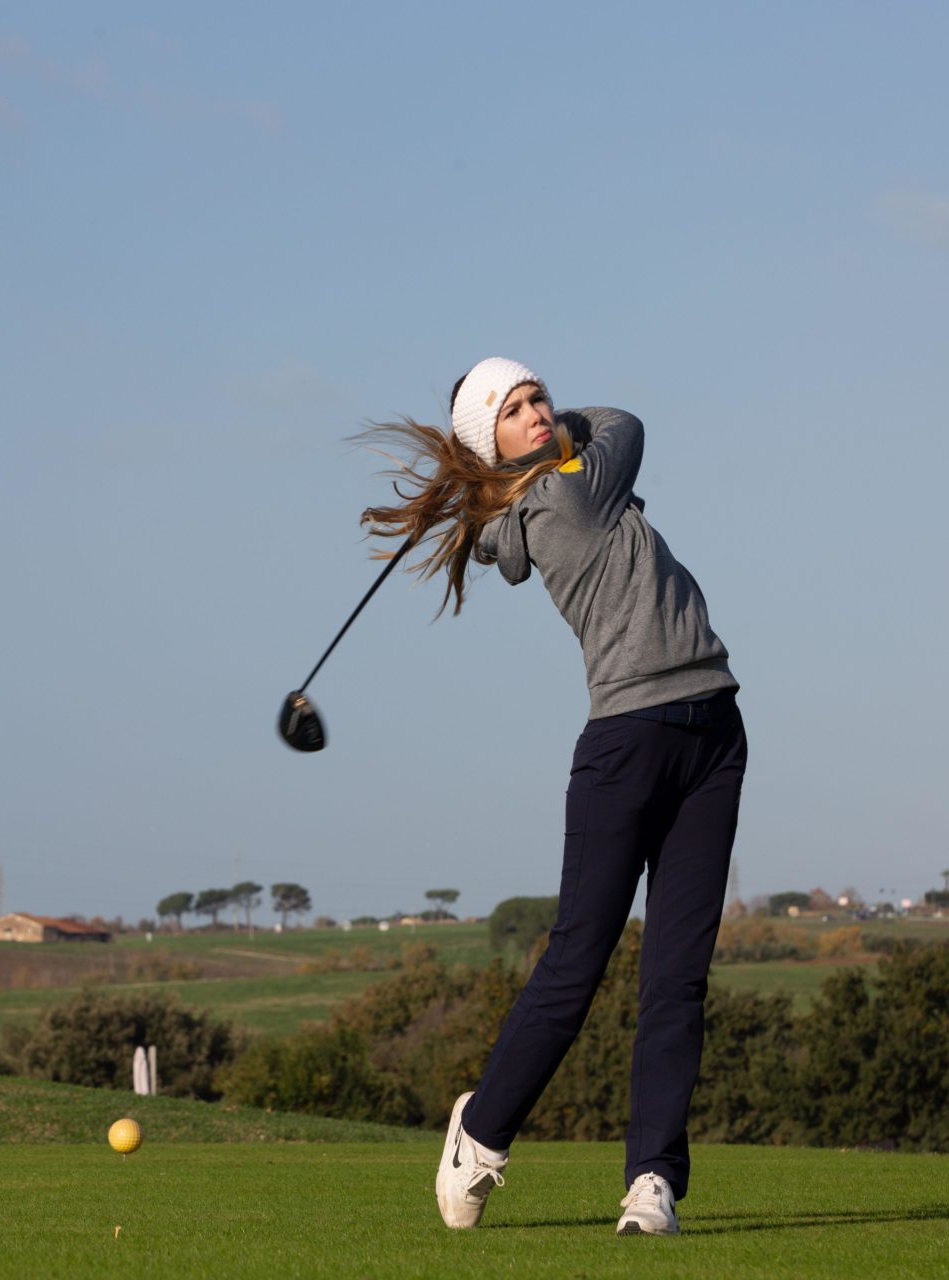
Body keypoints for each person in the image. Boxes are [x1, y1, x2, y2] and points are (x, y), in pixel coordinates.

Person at [358, 356, 748, 1237]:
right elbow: (627, 424)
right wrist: (565, 429)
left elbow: (581, 444)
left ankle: (652, 1180)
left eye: (539, 397)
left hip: (714, 732)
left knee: (678, 978)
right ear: (489, 445)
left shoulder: (551, 492)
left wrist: (531, 444)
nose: (539, 412)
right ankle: (481, 1133)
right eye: (516, 409)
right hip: (628, 741)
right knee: (577, 962)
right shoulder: (569, 494)